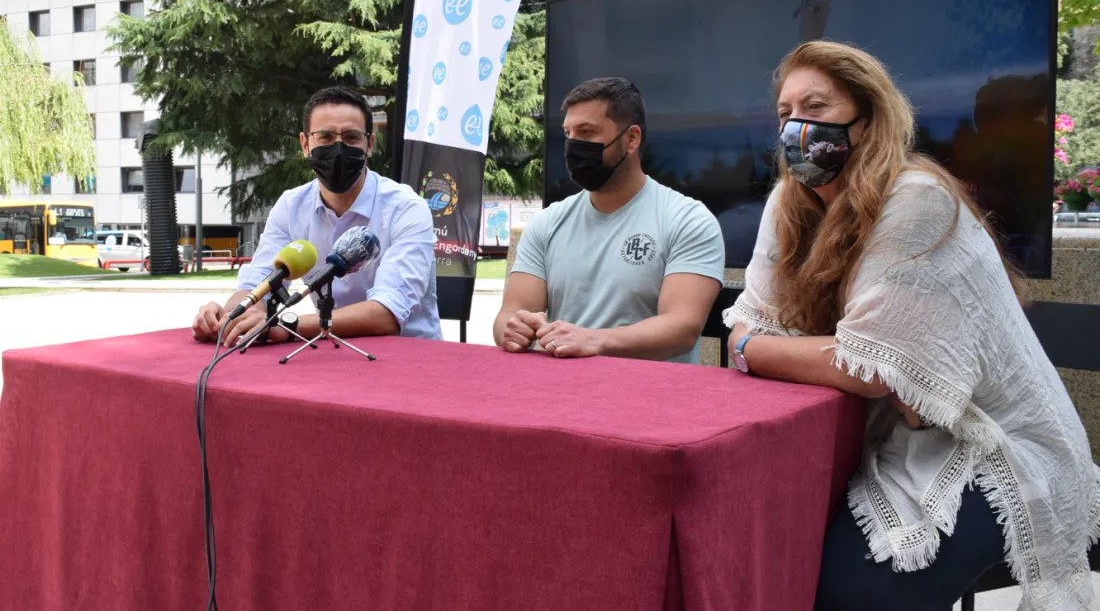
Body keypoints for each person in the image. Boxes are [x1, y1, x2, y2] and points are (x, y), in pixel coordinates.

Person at [724, 41, 1099, 610]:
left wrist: (758, 348)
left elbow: (870, 369)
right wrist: (789, 347)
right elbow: (760, 323)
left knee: (851, 590)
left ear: (868, 118)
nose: (797, 126)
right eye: (785, 112)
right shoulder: (790, 204)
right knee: (765, 543)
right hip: (888, 432)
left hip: (989, 443)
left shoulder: (916, 200)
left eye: (817, 107)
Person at [495, 77, 725, 364]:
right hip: (561, 394)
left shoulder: (687, 220)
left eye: (587, 132)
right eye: (569, 134)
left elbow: (682, 328)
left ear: (631, 139)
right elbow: (509, 315)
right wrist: (512, 329)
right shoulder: (548, 223)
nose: (573, 145)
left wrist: (595, 340)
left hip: (653, 398)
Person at [192, 86, 442, 345]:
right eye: (325, 137)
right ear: (305, 144)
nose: (338, 148)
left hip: (410, 356)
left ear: (369, 145)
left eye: (351, 137)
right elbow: (260, 283)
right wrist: (232, 315)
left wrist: (285, 325)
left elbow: (387, 313)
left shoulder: (406, 208)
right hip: (328, 352)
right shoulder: (291, 207)